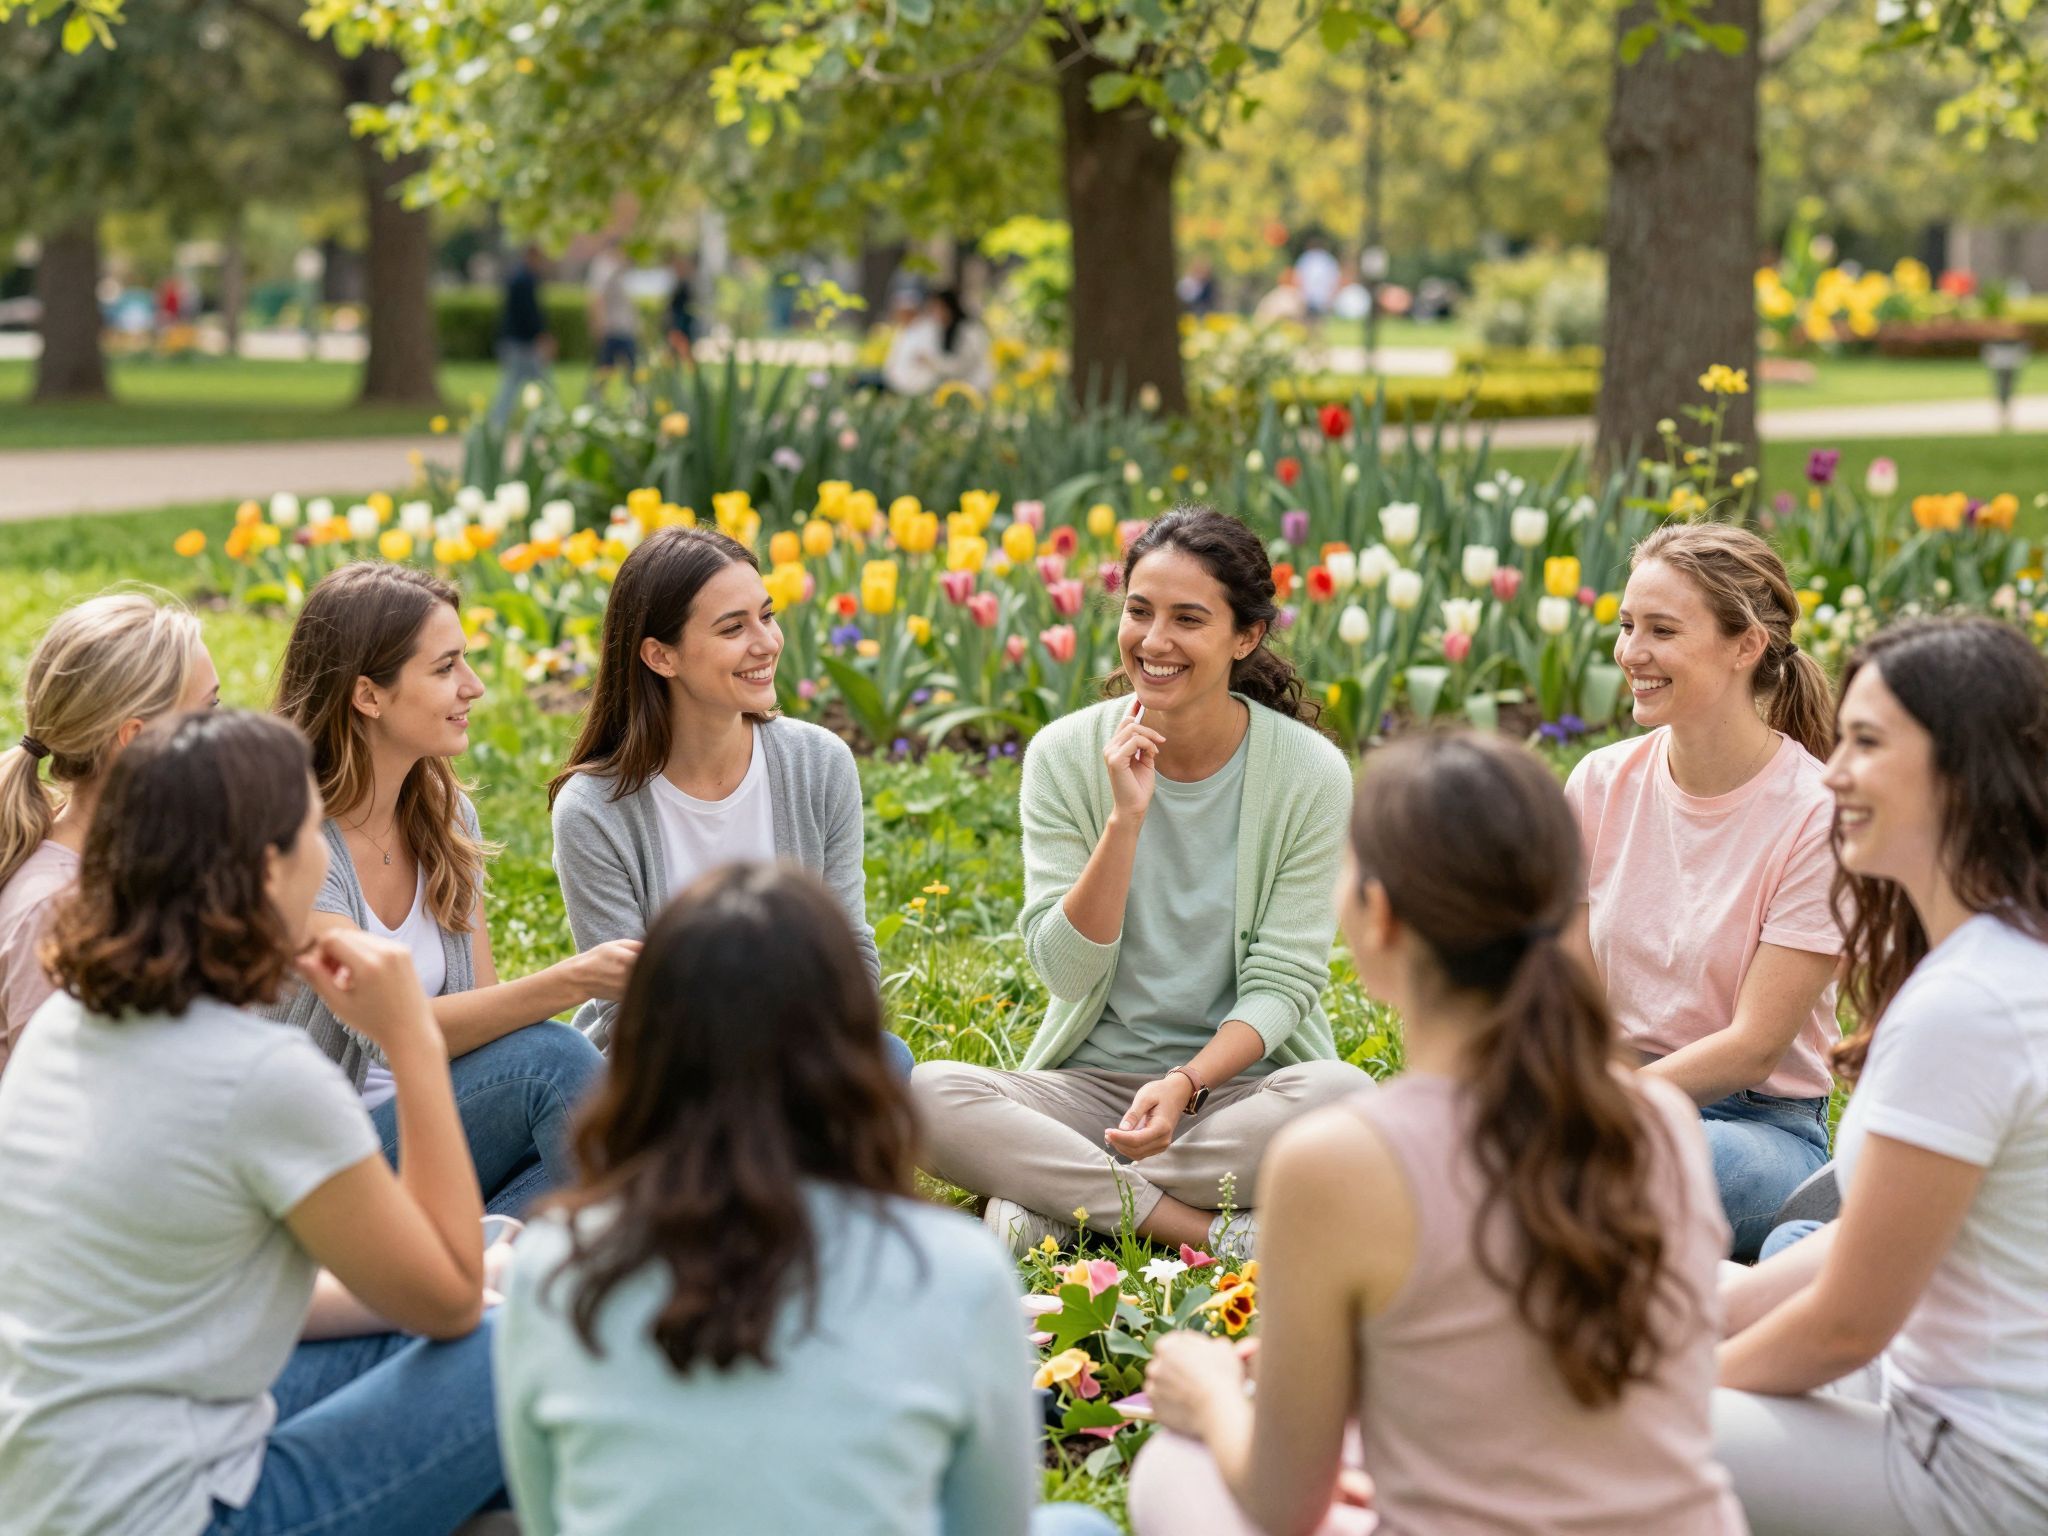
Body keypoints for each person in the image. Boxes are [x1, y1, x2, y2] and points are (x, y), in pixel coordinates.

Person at [1133, 731, 1743, 1536]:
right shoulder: (1659, 1120)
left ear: (1379, 915)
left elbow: (1283, 1507)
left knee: (1173, 1464)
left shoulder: (1339, 1162)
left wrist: (1209, 1392)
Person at [495, 862, 1118, 1536]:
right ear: (855, 1045)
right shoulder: (958, 1268)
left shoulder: (550, 1265)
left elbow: (550, 1519)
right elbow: (990, 1527)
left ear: (642, 1049)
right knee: (1078, 1529)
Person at [0, 710, 502, 1535]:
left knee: (457, 1315)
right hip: (180, 1516)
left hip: (49, 1498)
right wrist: (411, 1037)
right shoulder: (261, 1078)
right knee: (516, 1341)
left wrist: (481, 1275)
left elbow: (232, 1302)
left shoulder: (71, 1022)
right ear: (270, 869)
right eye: (313, 831)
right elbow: (448, 1304)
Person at [911, 507, 1363, 1260]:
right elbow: (1065, 972)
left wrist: (1186, 1083)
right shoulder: (1064, 755)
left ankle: (1061, 1200)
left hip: (1238, 1092)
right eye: (1139, 611)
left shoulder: (1309, 772)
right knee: (924, 1095)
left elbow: (1283, 983)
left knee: (1345, 1098)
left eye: (1189, 619)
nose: (1154, 641)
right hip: (1091, 1092)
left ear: (1246, 636)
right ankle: (1206, 1230)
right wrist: (1124, 821)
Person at [1714, 616, 2048, 1536]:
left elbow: (1846, 1328)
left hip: (1982, 1472)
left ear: (1962, 770)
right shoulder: (1999, 959)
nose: (1832, 774)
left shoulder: (1971, 1005)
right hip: (1937, 1405)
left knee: (1586, 1428)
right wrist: (1711, 1302)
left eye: (1866, 744)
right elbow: (1872, 1245)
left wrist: (1675, 1388)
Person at [269, 562, 615, 1216]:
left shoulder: (445, 815)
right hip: (312, 1166)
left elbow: (485, 1023)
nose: (473, 686)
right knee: (553, 1063)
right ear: (368, 695)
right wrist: (577, 979)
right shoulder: (289, 840)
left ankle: (491, 1253)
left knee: (618, 1116)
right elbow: (384, 1027)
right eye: (446, 667)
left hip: (429, 1135)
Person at [1565, 521, 1842, 1260]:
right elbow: (1571, 987)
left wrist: (1599, 1114)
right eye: (1627, 626)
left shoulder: (1817, 815)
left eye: (1662, 630)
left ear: (1745, 646)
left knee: (1611, 1170)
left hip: (1759, 1129)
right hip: (1614, 1095)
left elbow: (1755, 1047)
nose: (1632, 652)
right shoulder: (1598, 783)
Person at [548, 526, 909, 1073]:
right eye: (733, 628)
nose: (767, 642)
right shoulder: (593, 809)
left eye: (767, 615)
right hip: (662, 1075)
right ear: (660, 656)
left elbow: (850, 955)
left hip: (801, 1053)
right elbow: (630, 1010)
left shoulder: (819, 763)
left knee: (889, 1057)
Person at [0, 591, 217, 1075]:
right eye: (207, 711)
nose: (227, 732)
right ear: (136, 740)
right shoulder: (55, 911)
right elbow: (59, 1104)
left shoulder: (133, 859)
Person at [882, 288, 993, 397]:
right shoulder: (943, 331)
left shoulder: (969, 331)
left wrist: (932, 362)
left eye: (938, 309)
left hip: (975, 389)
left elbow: (960, 367)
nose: (934, 314)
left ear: (950, 308)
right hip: (958, 388)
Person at [490, 242, 554, 429]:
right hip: (522, 343)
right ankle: (548, 420)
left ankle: (499, 423)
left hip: (517, 341)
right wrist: (541, 335)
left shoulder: (519, 278)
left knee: (519, 384)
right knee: (535, 383)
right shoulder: (524, 281)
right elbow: (529, 314)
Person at [587, 239, 638, 374]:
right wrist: (599, 324)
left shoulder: (620, 269)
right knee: (605, 367)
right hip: (611, 328)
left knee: (630, 367)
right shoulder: (604, 267)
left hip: (625, 327)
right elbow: (597, 298)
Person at [664, 251, 697, 365]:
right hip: (677, 321)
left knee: (682, 347)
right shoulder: (679, 283)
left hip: (681, 321)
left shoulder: (684, 285)